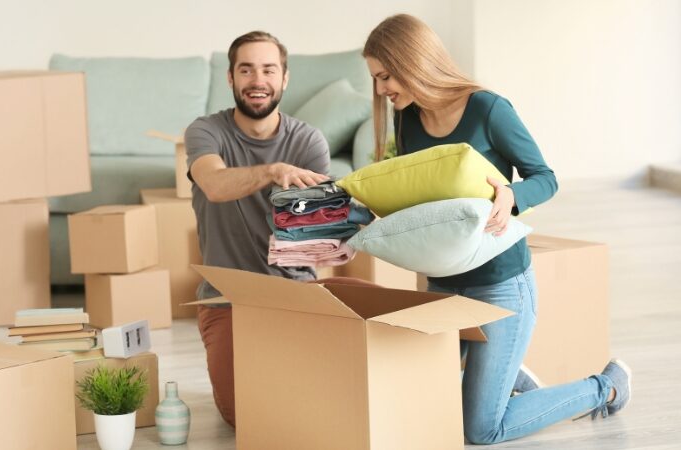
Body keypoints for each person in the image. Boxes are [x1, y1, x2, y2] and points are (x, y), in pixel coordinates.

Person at [362, 14, 631, 445]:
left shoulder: (488, 109)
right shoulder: (406, 119)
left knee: (481, 429)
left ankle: (607, 385)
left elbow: (545, 177)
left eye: (385, 75)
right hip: (443, 287)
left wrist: (511, 194)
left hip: (501, 286)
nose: (380, 89)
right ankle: (505, 372)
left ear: (411, 61)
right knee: (420, 402)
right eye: (376, 78)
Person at [183, 31, 332, 427]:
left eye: (268, 69)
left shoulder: (308, 141)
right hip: (225, 299)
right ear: (230, 78)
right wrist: (272, 172)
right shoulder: (205, 132)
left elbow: (317, 239)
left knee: (314, 403)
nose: (257, 80)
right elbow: (213, 185)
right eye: (246, 69)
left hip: (295, 294)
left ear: (285, 78)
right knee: (245, 416)